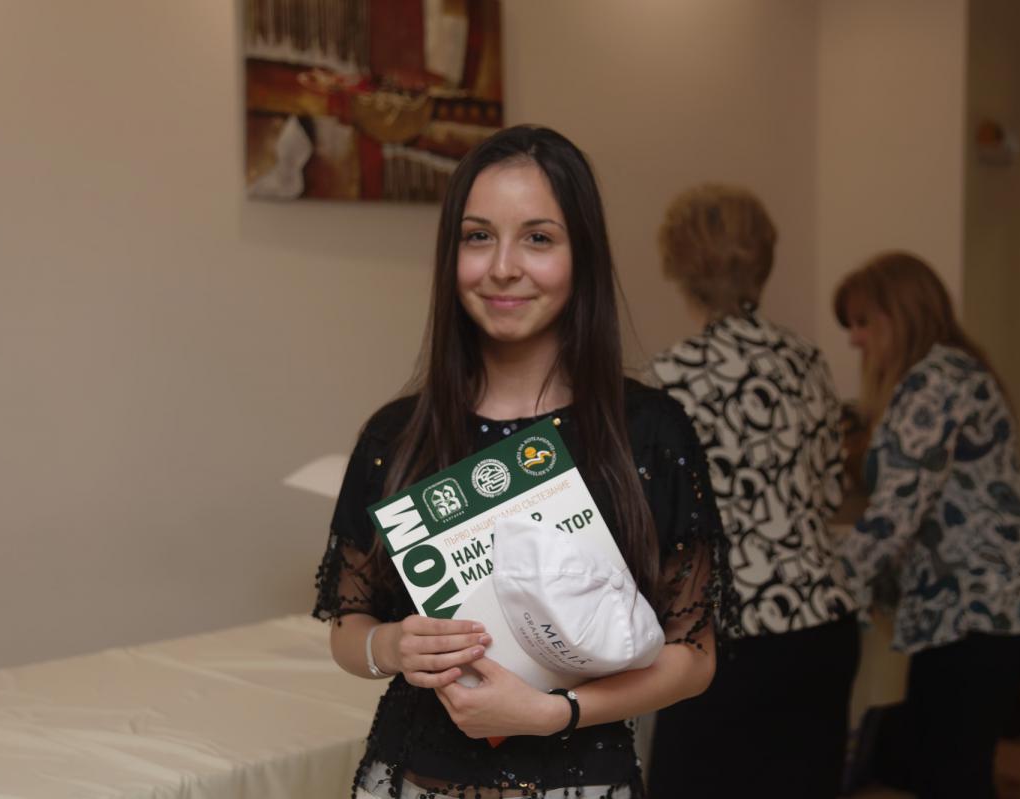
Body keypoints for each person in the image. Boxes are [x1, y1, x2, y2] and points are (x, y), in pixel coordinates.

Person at [312, 125, 736, 799]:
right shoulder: (398, 434)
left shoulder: (649, 432)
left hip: (581, 782)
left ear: (582, 255)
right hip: (411, 779)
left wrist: (555, 712)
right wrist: (391, 646)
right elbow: (348, 628)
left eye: (538, 238)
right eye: (478, 236)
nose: (503, 266)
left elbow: (694, 656)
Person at [833, 251, 1020, 799]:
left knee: (952, 772)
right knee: (942, 764)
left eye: (863, 322)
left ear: (900, 313)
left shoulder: (936, 383)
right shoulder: (951, 372)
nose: (855, 339)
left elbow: (896, 513)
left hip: (980, 607)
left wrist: (824, 587)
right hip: (970, 609)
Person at [647, 184, 859, 798]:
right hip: (821, 622)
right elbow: (829, 492)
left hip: (726, 633)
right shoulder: (807, 361)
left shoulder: (671, 377)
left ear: (679, 267)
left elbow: (657, 523)